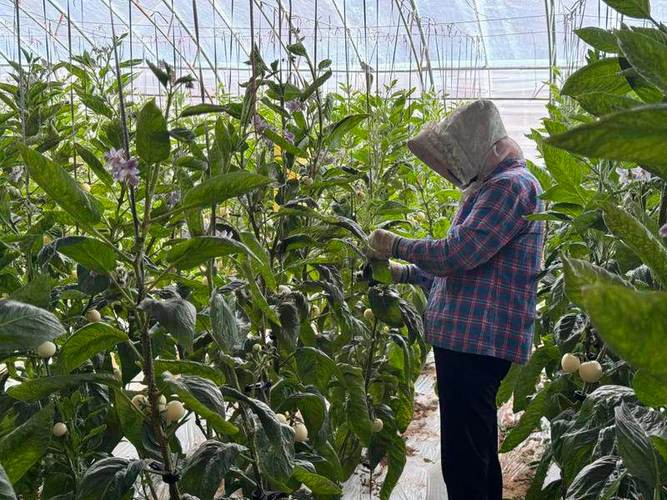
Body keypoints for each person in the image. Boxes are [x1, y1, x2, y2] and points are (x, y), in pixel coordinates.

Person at [367, 99, 545, 500]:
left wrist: (395, 244)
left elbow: (456, 253)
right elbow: (462, 269)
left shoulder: (510, 187)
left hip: (476, 347)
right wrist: (404, 273)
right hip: (468, 343)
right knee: (474, 450)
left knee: (465, 457)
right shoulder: (493, 188)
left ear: (490, 148)